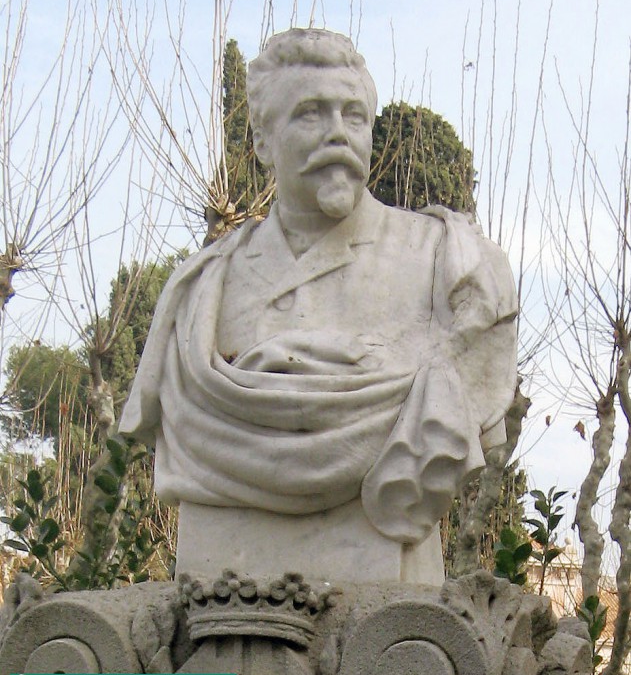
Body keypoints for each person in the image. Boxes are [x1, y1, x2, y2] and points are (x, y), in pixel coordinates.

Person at [119, 28, 517, 585]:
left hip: (393, 652)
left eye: (354, 116)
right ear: (261, 141)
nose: (338, 134)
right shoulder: (202, 288)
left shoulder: (452, 267)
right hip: (215, 611)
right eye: (310, 113)